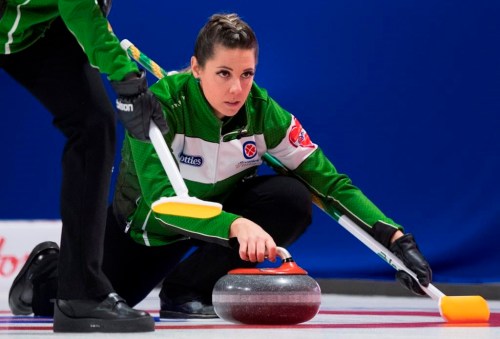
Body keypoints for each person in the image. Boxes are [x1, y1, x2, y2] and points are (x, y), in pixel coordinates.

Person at [8, 12, 432, 321]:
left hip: (214, 218)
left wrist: (394, 238)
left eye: (247, 74)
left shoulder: (264, 113)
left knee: (291, 198)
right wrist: (233, 226)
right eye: (224, 73)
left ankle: (188, 290)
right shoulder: (159, 108)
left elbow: (330, 182)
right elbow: (160, 204)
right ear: (196, 68)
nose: (236, 89)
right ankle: (46, 267)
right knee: (61, 297)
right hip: (148, 233)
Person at [1, 0, 168, 333]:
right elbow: (79, 8)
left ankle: (81, 293)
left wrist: (127, 79)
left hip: (39, 26)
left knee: (94, 125)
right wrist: (125, 77)